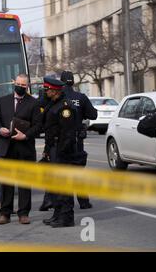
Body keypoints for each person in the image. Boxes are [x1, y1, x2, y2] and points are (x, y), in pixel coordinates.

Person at [0, 74, 43, 225]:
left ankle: (23, 213)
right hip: (7, 147)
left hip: (24, 148)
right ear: (14, 83)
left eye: (23, 85)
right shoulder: (3, 100)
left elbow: (38, 126)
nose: (20, 87)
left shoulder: (34, 103)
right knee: (6, 182)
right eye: (18, 84)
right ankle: (5, 213)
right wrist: (0, 129)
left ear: (27, 86)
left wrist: (26, 135)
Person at [41, 76, 78, 228]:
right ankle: (57, 214)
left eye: (47, 89)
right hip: (53, 148)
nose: (45, 91)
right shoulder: (53, 104)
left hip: (63, 151)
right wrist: (47, 150)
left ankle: (67, 217)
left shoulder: (65, 107)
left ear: (55, 90)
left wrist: (61, 153)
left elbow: (68, 134)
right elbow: (50, 129)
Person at [61, 71, 97, 209]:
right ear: (73, 82)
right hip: (77, 140)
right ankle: (84, 202)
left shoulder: (57, 97)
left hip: (61, 140)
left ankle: (62, 204)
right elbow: (93, 115)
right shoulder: (80, 97)